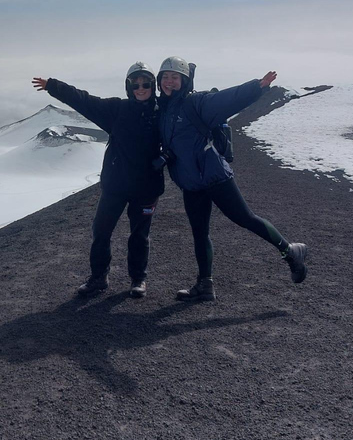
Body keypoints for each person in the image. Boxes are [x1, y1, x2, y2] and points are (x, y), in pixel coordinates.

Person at [155, 56, 307, 301]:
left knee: (245, 218)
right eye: (165, 77)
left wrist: (255, 87)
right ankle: (205, 285)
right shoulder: (162, 110)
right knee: (199, 232)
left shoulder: (196, 102)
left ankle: (290, 251)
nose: (169, 81)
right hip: (191, 183)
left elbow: (227, 99)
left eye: (174, 77)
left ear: (184, 81)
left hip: (214, 176)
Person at [32, 62, 163, 298]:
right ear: (128, 87)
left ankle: (138, 279)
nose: (140, 88)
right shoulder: (117, 109)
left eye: (145, 84)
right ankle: (99, 278)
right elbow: (84, 100)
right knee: (101, 231)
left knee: (140, 235)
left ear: (153, 85)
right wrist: (53, 86)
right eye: (135, 84)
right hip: (116, 186)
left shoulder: (162, 112)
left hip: (146, 187)